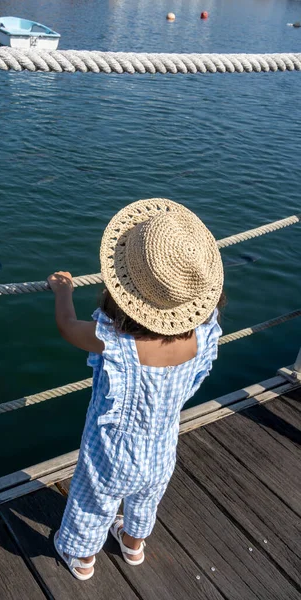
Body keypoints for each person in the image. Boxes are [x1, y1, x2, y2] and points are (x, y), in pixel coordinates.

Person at [47, 197, 225, 581]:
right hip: (162, 446)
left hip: (110, 453)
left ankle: (81, 558)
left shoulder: (113, 340)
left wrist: (63, 291)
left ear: (124, 287)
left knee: (93, 501)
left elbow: (66, 327)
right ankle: (132, 545)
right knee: (145, 499)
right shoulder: (205, 333)